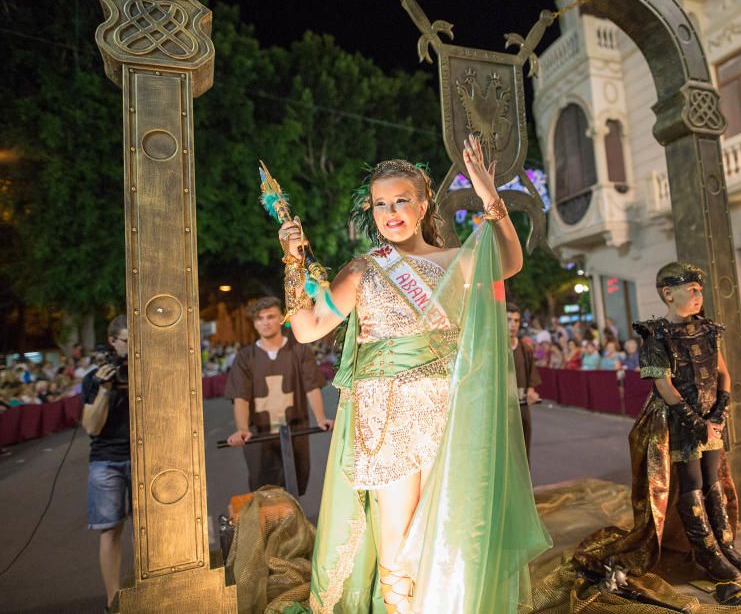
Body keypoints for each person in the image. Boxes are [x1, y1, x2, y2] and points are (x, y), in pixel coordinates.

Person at [282, 136, 548, 613]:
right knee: (398, 531)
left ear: (424, 204)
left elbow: (508, 262)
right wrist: (293, 261)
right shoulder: (363, 269)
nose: (391, 212)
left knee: (451, 523)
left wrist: (490, 196)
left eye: (402, 200)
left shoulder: (456, 263)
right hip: (386, 418)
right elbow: (307, 328)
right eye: (381, 204)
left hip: (448, 411)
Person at [574, 262, 741, 589]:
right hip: (678, 422)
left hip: (710, 419)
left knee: (713, 479)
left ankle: (724, 543)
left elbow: (723, 373)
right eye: (692, 289)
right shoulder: (656, 335)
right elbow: (664, 385)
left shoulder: (708, 329)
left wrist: (719, 414)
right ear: (669, 294)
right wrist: (695, 421)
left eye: (700, 289)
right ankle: (706, 550)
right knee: (692, 481)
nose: (699, 294)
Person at [224, 296, 331, 496]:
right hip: (259, 434)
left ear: (281, 318)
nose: (265, 322)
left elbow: (311, 386)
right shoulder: (245, 358)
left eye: (270, 316)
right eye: (260, 318)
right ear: (254, 323)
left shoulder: (299, 351)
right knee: (263, 492)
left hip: (294, 431)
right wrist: (242, 429)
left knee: (294, 485)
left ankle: (293, 526)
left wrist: (321, 418)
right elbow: (240, 397)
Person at [80, 315, 131, 614]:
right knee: (110, 530)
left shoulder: (144, 370)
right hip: (106, 460)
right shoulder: (94, 379)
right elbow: (91, 427)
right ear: (113, 341)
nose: (130, 346)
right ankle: (113, 601)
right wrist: (104, 390)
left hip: (143, 456)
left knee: (153, 528)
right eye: (126, 340)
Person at [508, 303, 542, 463]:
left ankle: (524, 487)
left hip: (522, 410)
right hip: (501, 411)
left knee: (523, 454)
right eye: (509, 320)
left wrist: (531, 391)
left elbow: (531, 380)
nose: (513, 324)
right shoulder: (494, 349)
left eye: (516, 320)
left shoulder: (525, 349)